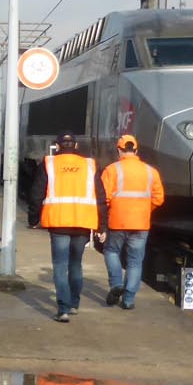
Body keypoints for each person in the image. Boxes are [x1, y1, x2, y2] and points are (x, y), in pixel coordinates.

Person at [28, 132, 100, 322]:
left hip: (59, 223)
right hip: (83, 223)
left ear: (58, 146)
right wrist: (103, 226)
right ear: (75, 146)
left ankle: (63, 309)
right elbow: (100, 197)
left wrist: (33, 219)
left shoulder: (49, 163)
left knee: (60, 267)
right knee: (75, 264)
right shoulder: (90, 165)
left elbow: (36, 192)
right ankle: (74, 304)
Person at [95, 133, 165, 310]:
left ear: (119, 150)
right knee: (135, 261)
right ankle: (128, 300)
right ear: (136, 150)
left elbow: (104, 198)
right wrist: (145, 210)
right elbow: (159, 198)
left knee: (111, 251)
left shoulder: (112, 170)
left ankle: (116, 284)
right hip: (141, 223)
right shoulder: (151, 172)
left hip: (117, 221)